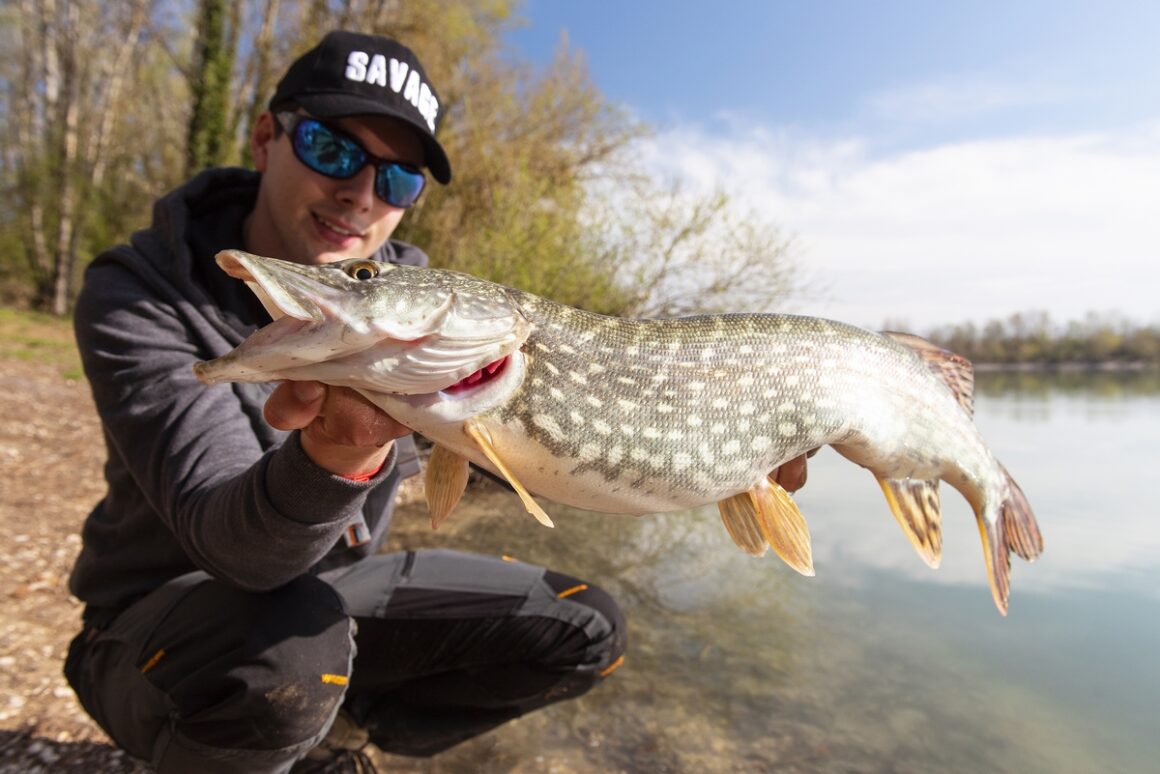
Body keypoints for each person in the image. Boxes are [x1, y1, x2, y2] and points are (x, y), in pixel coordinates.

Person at [63, 29, 810, 773]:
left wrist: (743, 434)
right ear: (266, 137)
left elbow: (525, 459)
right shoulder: (141, 293)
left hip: (330, 592)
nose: (360, 195)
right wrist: (333, 455)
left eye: (398, 181)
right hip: (159, 624)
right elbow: (235, 551)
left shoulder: (432, 315)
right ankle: (256, 729)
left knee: (585, 623)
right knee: (288, 653)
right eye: (332, 150)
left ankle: (332, 739)